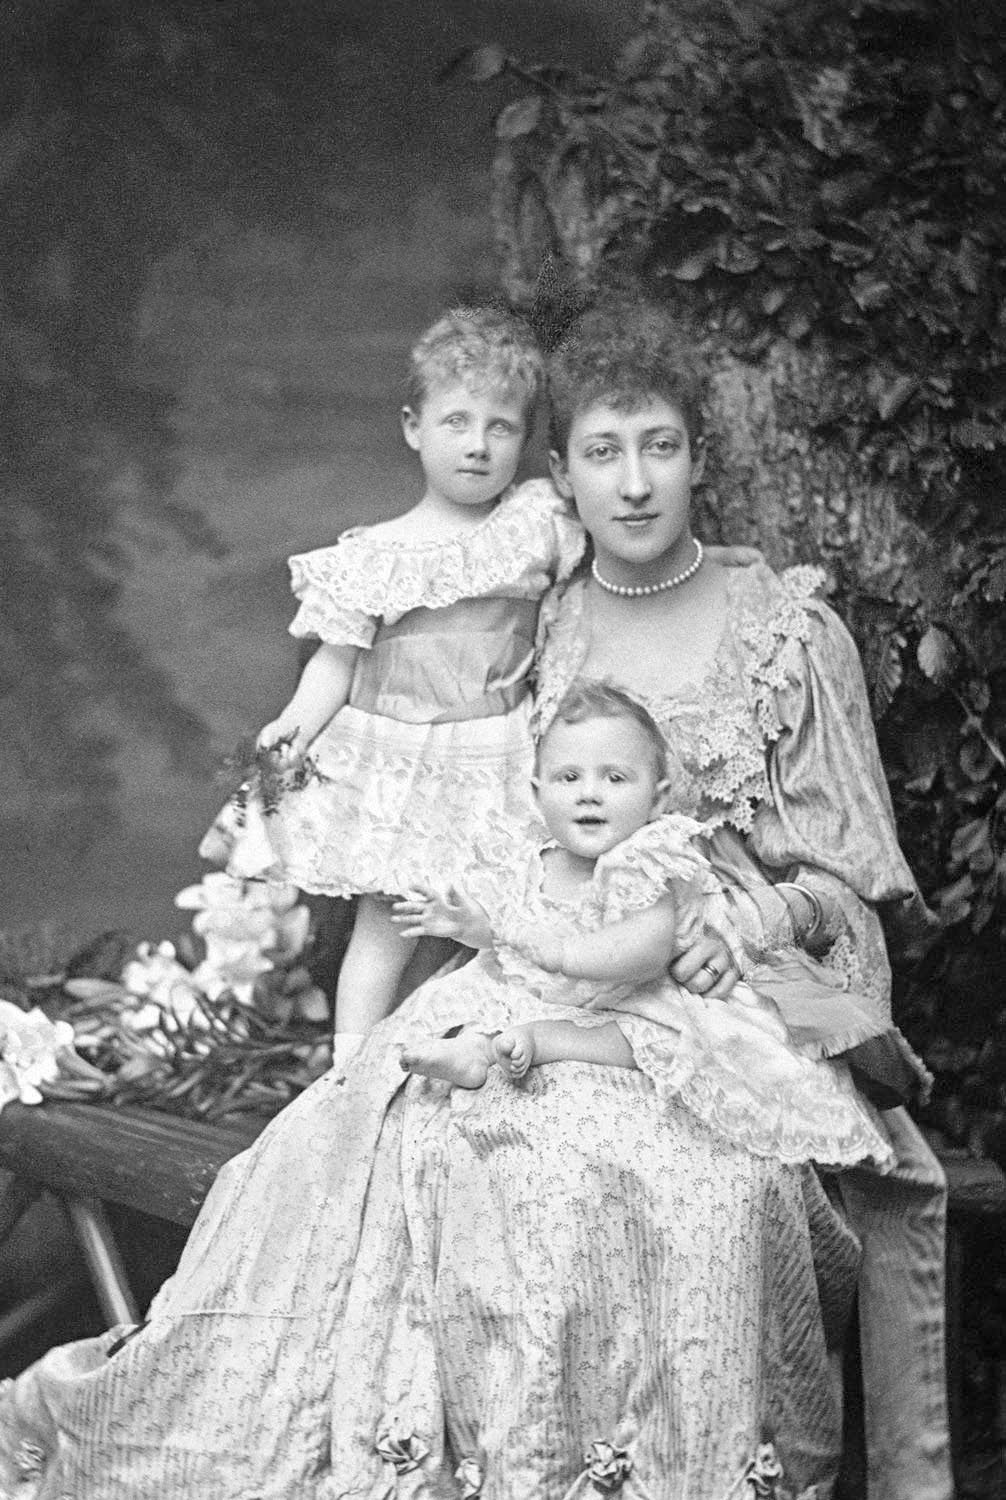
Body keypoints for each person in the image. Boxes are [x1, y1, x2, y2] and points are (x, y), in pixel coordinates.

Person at [532, 297, 953, 1500]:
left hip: (751, 989)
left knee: (730, 1189)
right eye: (603, 452)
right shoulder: (545, 628)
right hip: (586, 978)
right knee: (467, 1144)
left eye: (659, 446)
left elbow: (851, 885)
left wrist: (747, 926)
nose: (633, 483)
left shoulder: (786, 633)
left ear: (700, 456)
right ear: (560, 475)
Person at [214, 305, 585, 1060]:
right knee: (386, 928)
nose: (478, 445)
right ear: (414, 428)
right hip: (401, 763)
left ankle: (452, 1058)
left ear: (524, 441)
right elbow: (337, 661)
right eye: (457, 422)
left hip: (498, 755)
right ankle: (348, 1072)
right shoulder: (374, 556)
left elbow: (598, 581)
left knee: (480, 922)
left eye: (501, 427)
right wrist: (294, 728)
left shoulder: (535, 523)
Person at [397, 678, 895, 1173]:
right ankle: (474, 1052)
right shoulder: (535, 859)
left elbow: (644, 951)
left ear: (657, 799)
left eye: (614, 779)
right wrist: (470, 926)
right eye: (568, 778)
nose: (589, 795)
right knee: (479, 997)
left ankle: (539, 1040)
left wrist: (563, 953)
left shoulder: (643, 861)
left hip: (634, 995)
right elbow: (509, 936)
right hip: (553, 991)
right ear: (538, 791)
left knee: (643, 1038)